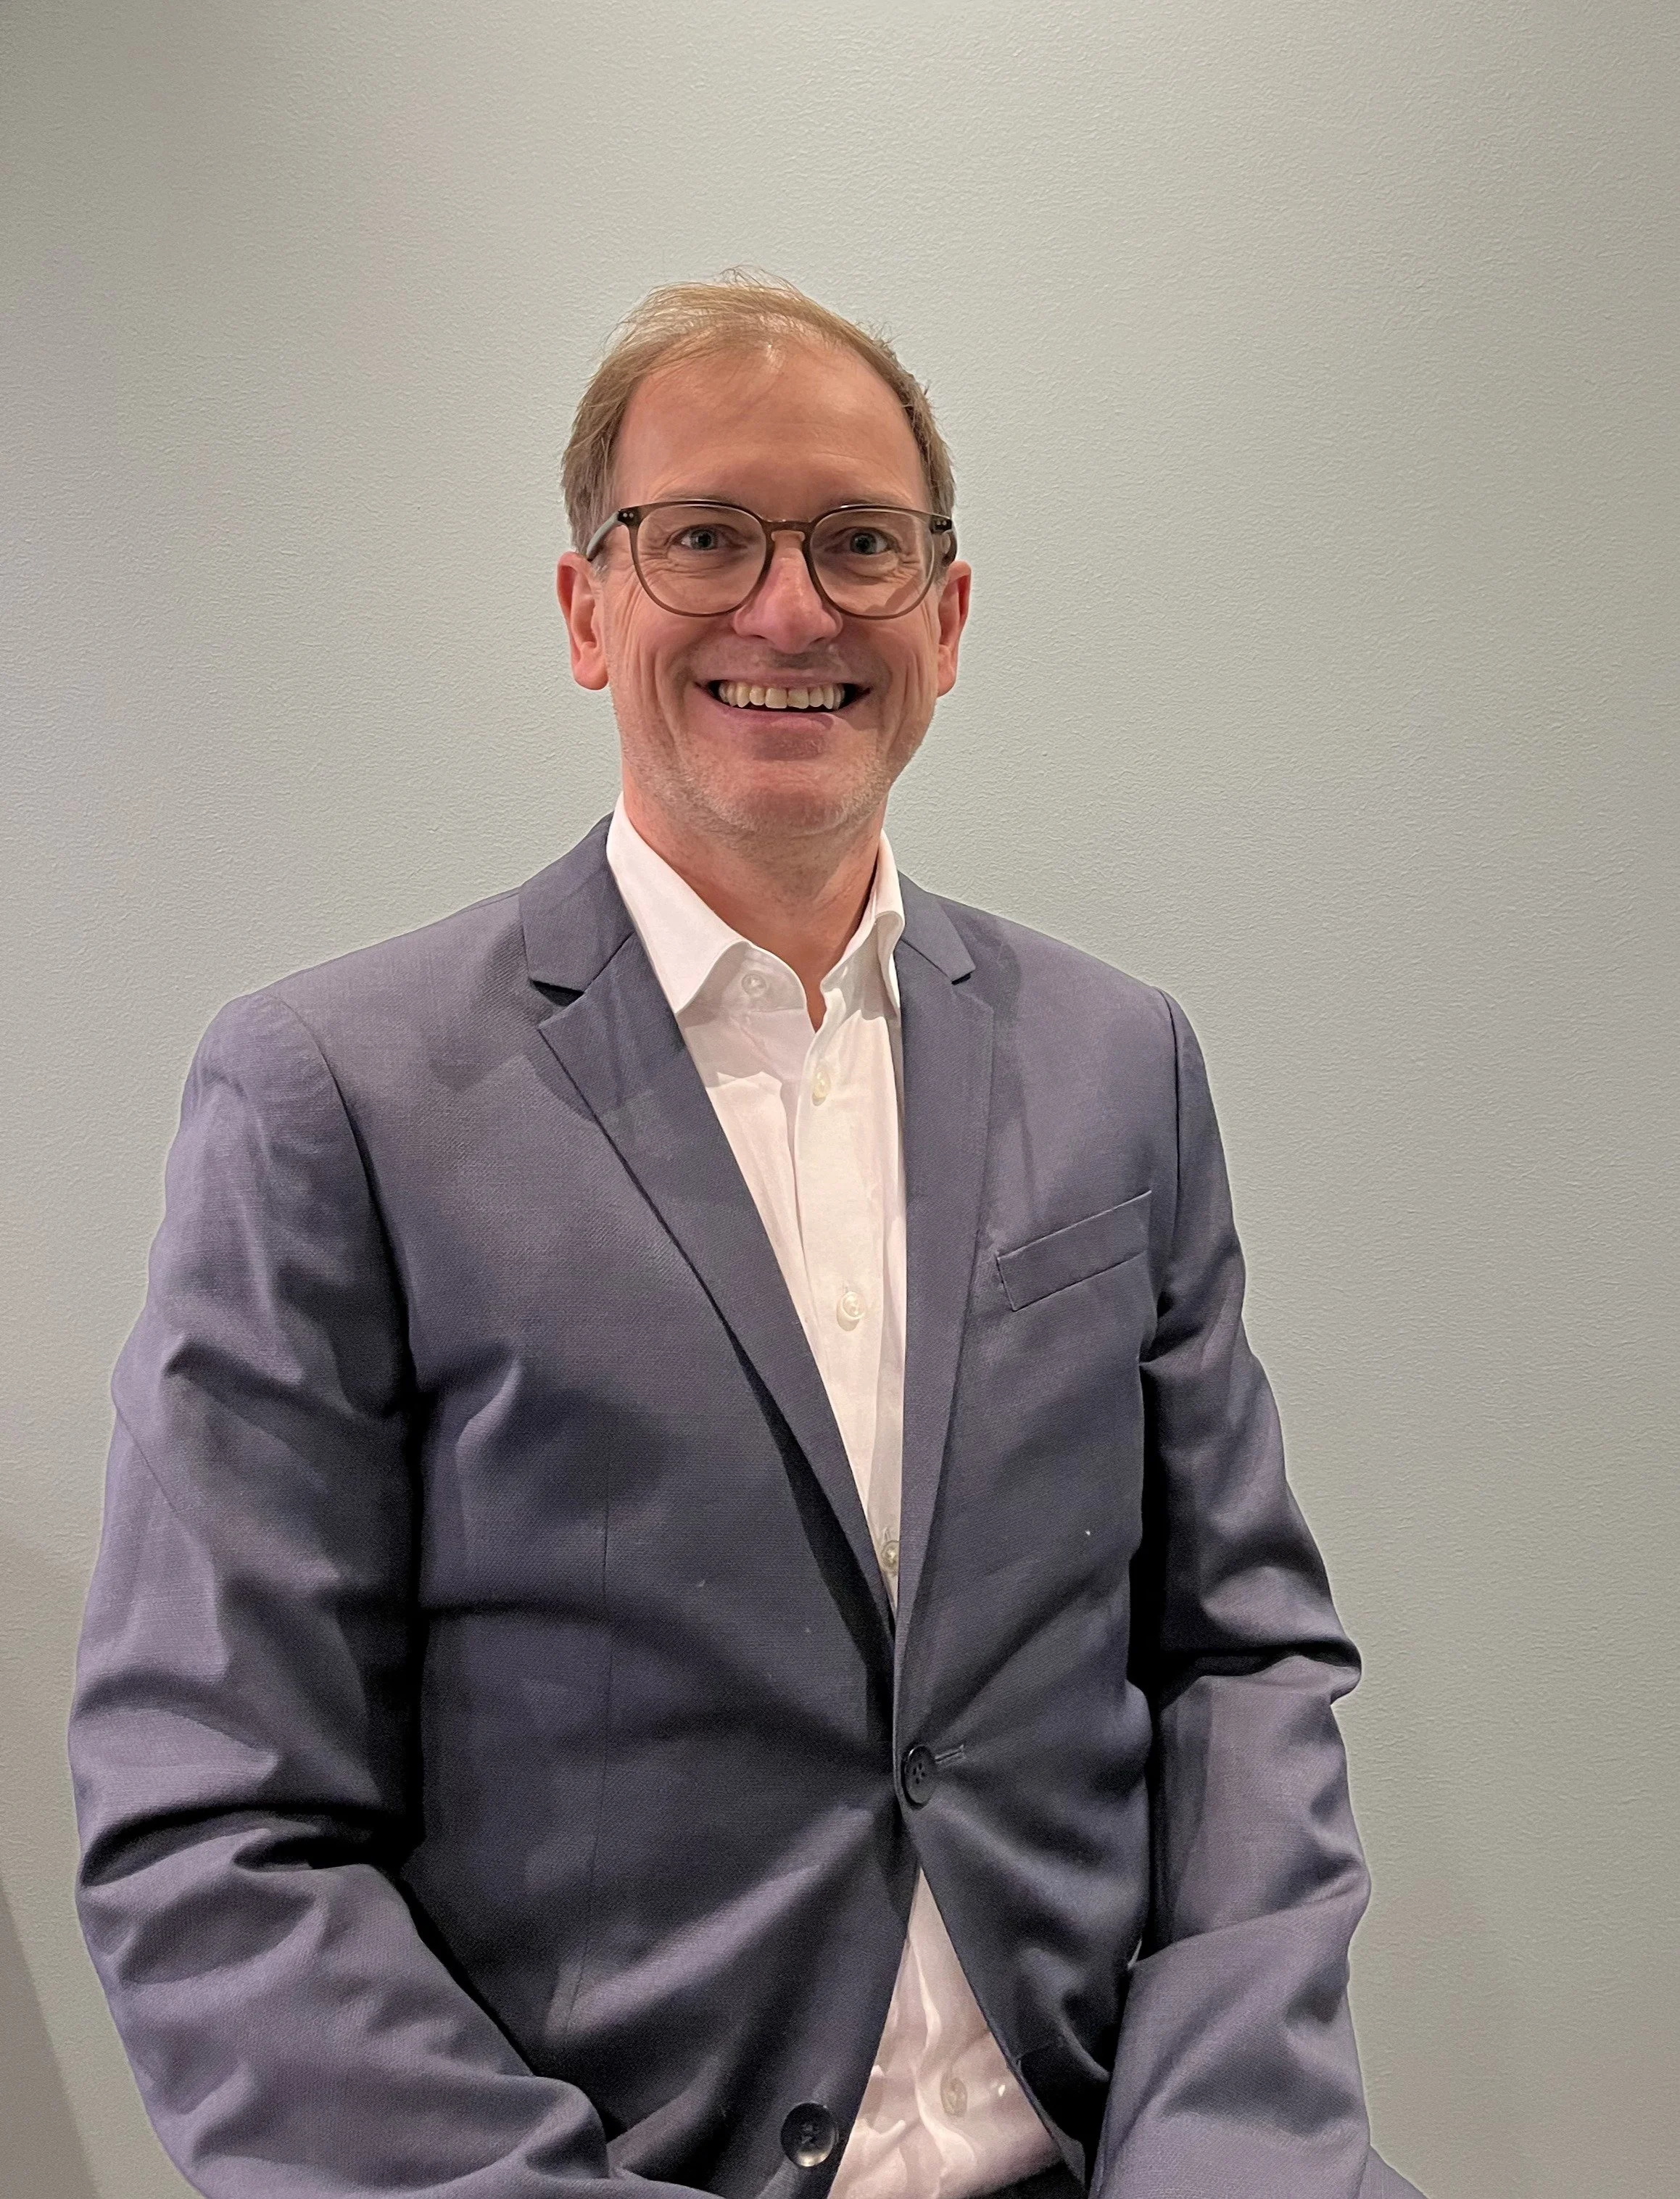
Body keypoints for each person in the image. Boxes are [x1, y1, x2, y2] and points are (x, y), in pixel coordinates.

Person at [70, 275, 1423, 2199]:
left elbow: (1237, 1658)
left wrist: (1231, 2150)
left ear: (944, 621)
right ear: (585, 608)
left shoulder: (1119, 1060)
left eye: (859, 543)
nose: (790, 609)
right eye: (702, 536)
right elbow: (208, 1829)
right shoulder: (334, 1093)